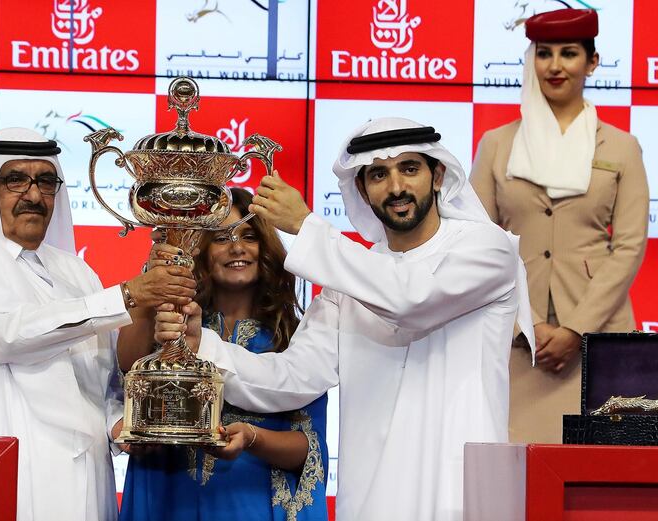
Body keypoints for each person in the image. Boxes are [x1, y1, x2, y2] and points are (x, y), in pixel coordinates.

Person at [155, 119, 534, 521]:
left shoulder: (486, 248)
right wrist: (203, 348)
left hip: (460, 488)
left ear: (438, 175)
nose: (396, 187)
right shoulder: (350, 276)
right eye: (378, 174)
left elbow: (411, 298)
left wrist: (305, 226)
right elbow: (294, 378)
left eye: (409, 169)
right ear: (361, 189)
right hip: (375, 495)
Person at [0, 128, 196, 521]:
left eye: (46, 181)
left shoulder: (76, 272)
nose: (33, 195)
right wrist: (129, 296)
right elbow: (11, 336)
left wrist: (119, 424)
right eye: (15, 179)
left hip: (82, 479)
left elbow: (101, 379)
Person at [470, 9, 649, 443]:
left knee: (596, 482)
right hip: (514, 340)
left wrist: (575, 329)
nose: (555, 66)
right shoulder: (497, 144)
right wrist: (525, 326)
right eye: (544, 53)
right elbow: (477, 244)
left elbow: (628, 247)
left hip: (598, 338)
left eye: (569, 53)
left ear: (592, 62)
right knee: (512, 479)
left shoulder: (622, 148)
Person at [118, 188, 329, 521]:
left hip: (252, 500)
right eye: (220, 238)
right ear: (199, 250)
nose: (236, 247)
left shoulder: (293, 338)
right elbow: (127, 365)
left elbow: (309, 449)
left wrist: (252, 437)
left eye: (249, 235)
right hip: (169, 494)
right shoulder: (173, 321)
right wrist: (153, 281)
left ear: (267, 248)